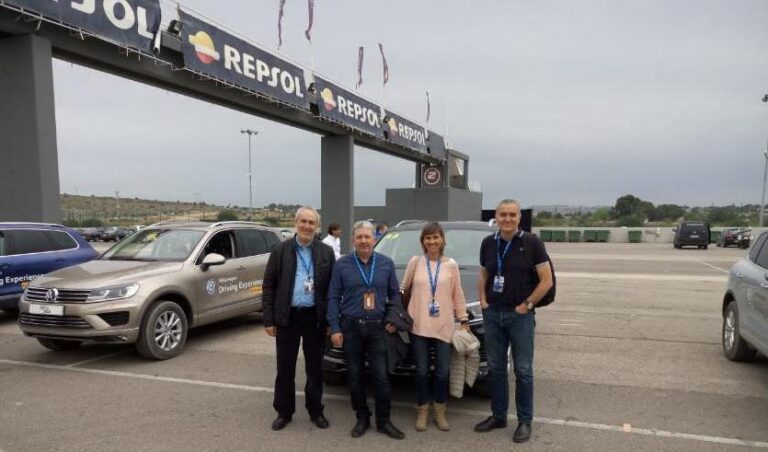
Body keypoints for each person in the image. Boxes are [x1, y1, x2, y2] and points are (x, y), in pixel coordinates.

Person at [474, 199, 553, 443]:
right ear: (495, 217)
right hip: (493, 314)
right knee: (496, 369)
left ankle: (524, 421)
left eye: (512, 215)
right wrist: (483, 301)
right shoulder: (488, 243)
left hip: (520, 316)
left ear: (519, 218)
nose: (507, 219)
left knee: (523, 370)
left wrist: (527, 305)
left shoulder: (531, 243)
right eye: (503, 215)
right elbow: (484, 273)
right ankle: (498, 416)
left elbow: (546, 280)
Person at [326, 220, 405, 440]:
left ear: (374, 239)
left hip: (378, 328)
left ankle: (384, 421)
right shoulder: (342, 265)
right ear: (353, 240)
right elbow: (333, 296)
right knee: (355, 376)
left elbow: (395, 295)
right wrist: (334, 327)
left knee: (381, 376)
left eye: (367, 237)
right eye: (359, 237)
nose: (363, 241)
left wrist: (392, 319)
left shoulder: (386, 263)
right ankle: (362, 417)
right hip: (350, 328)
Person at [262, 206, 336, 431]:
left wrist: (331, 322)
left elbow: (333, 289)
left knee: (315, 368)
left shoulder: (326, 252)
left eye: (311, 222)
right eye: (303, 221)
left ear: (317, 226)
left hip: (315, 318)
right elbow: (269, 285)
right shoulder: (280, 250)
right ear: (296, 223)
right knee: (285, 368)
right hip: (288, 317)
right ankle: (284, 412)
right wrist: (269, 320)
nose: (306, 226)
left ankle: (316, 410)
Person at [400, 221, 469, 432]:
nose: (432, 241)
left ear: (442, 240)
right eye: (428, 238)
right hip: (419, 325)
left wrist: (463, 320)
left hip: (444, 326)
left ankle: (440, 410)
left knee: (441, 372)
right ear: (423, 241)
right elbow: (404, 290)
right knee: (421, 371)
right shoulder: (415, 262)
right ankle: (422, 410)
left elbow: (457, 294)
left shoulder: (451, 265)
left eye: (435, 237)